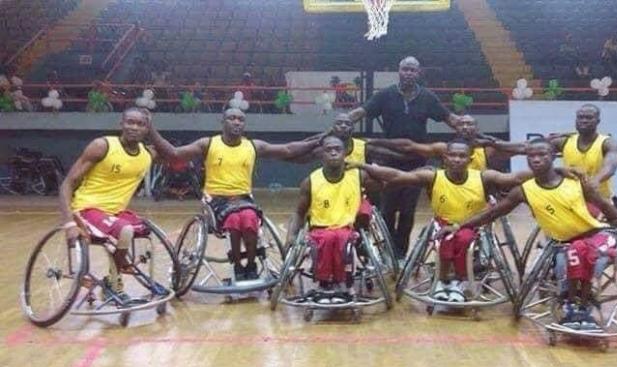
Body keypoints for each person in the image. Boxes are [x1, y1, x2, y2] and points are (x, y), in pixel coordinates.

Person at [458, 139, 617, 329]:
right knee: (573, 251)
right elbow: (493, 213)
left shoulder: (578, 184)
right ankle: (574, 305)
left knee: (581, 250)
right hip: (564, 242)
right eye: (531, 156)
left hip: (597, 235)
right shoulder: (523, 191)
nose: (536, 159)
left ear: (553, 157)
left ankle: (581, 305)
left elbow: (612, 213)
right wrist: (460, 227)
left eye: (542, 155)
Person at [353, 139, 559, 302]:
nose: (457, 159)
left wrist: (554, 171)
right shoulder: (433, 176)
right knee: (448, 236)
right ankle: (445, 282)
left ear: (470, 160)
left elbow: (513, 179)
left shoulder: (484, 177)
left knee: (461, 237)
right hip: (443, 224)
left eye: (462, 156)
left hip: (473, 225)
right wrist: (363, 166)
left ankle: (460, 281)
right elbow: (398, 176)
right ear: (445, 159)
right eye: (452, 155)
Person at [148, 108, 320, 281]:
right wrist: (151, 130)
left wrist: (321, 138)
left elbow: (289, 149)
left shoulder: (253, 146)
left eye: (240, 119)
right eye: (232, 118)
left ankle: (251, 265)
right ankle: (238, 266)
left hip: (244, 199)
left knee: (249, 218)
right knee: (235, 220)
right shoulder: (208, 144)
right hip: (215, 200)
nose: (237, 122)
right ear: (222, 122)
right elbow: (175, 154)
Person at [347, 56, 464, 258]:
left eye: (412, 70)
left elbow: (449, 118)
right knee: (387, 210)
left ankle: (400, 254)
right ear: (398, 71)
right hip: (388, 161)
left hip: (416, 162)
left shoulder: (427, 97)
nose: (408, 73)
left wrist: (467, 129)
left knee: (408, 211)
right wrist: (343, 121)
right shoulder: (385, 95)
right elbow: (362, 111)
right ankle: (388, 251)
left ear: (418, 73)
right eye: (405, 69)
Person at [59, 108, 155, 301]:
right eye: (130, 122)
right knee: (125, 230)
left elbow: (175, 155)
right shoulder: (102, 146)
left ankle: (121, 262)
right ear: (121, 124)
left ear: (147, 129)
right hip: (87, 210)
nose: (134, 127)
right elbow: (67, 184)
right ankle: (113, 282)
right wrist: (69, 223)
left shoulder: (147, 155)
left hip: (115, 213)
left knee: (146, 227)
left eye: (140, 124)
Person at [286, 135, 381, 304]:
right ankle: (325, 283)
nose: (333, 153)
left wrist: (363, 165)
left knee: (342, 238)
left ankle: (344, 283)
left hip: (348, 228)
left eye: (337, 149)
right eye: (328, 150)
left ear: (345, 154)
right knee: (328, 238)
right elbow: (299, 212)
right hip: (320, 229)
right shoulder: (310, 181)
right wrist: (292, 235)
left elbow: (383, 183)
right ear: (321, 154)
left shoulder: (358, 176)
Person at [367, 114, 526, 171]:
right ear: (456, 128)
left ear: (476, 128)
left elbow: (519, 148)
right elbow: (409, 145)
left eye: (469, 124)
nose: (465, 127)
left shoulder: (489, 148)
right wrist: (375, 141)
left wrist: (546, 144)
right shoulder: (444, 148)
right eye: (462, 123)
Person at [548, 104, 617, 206]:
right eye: (580, 117)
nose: (584, 120)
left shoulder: (609, 143)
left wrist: (596, 180)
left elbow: (610, 167)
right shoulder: (563, 141)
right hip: (570, 198)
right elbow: (533, 150)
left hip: (599, 199)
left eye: (589, 117)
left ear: (598, 121)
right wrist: (546, 140)